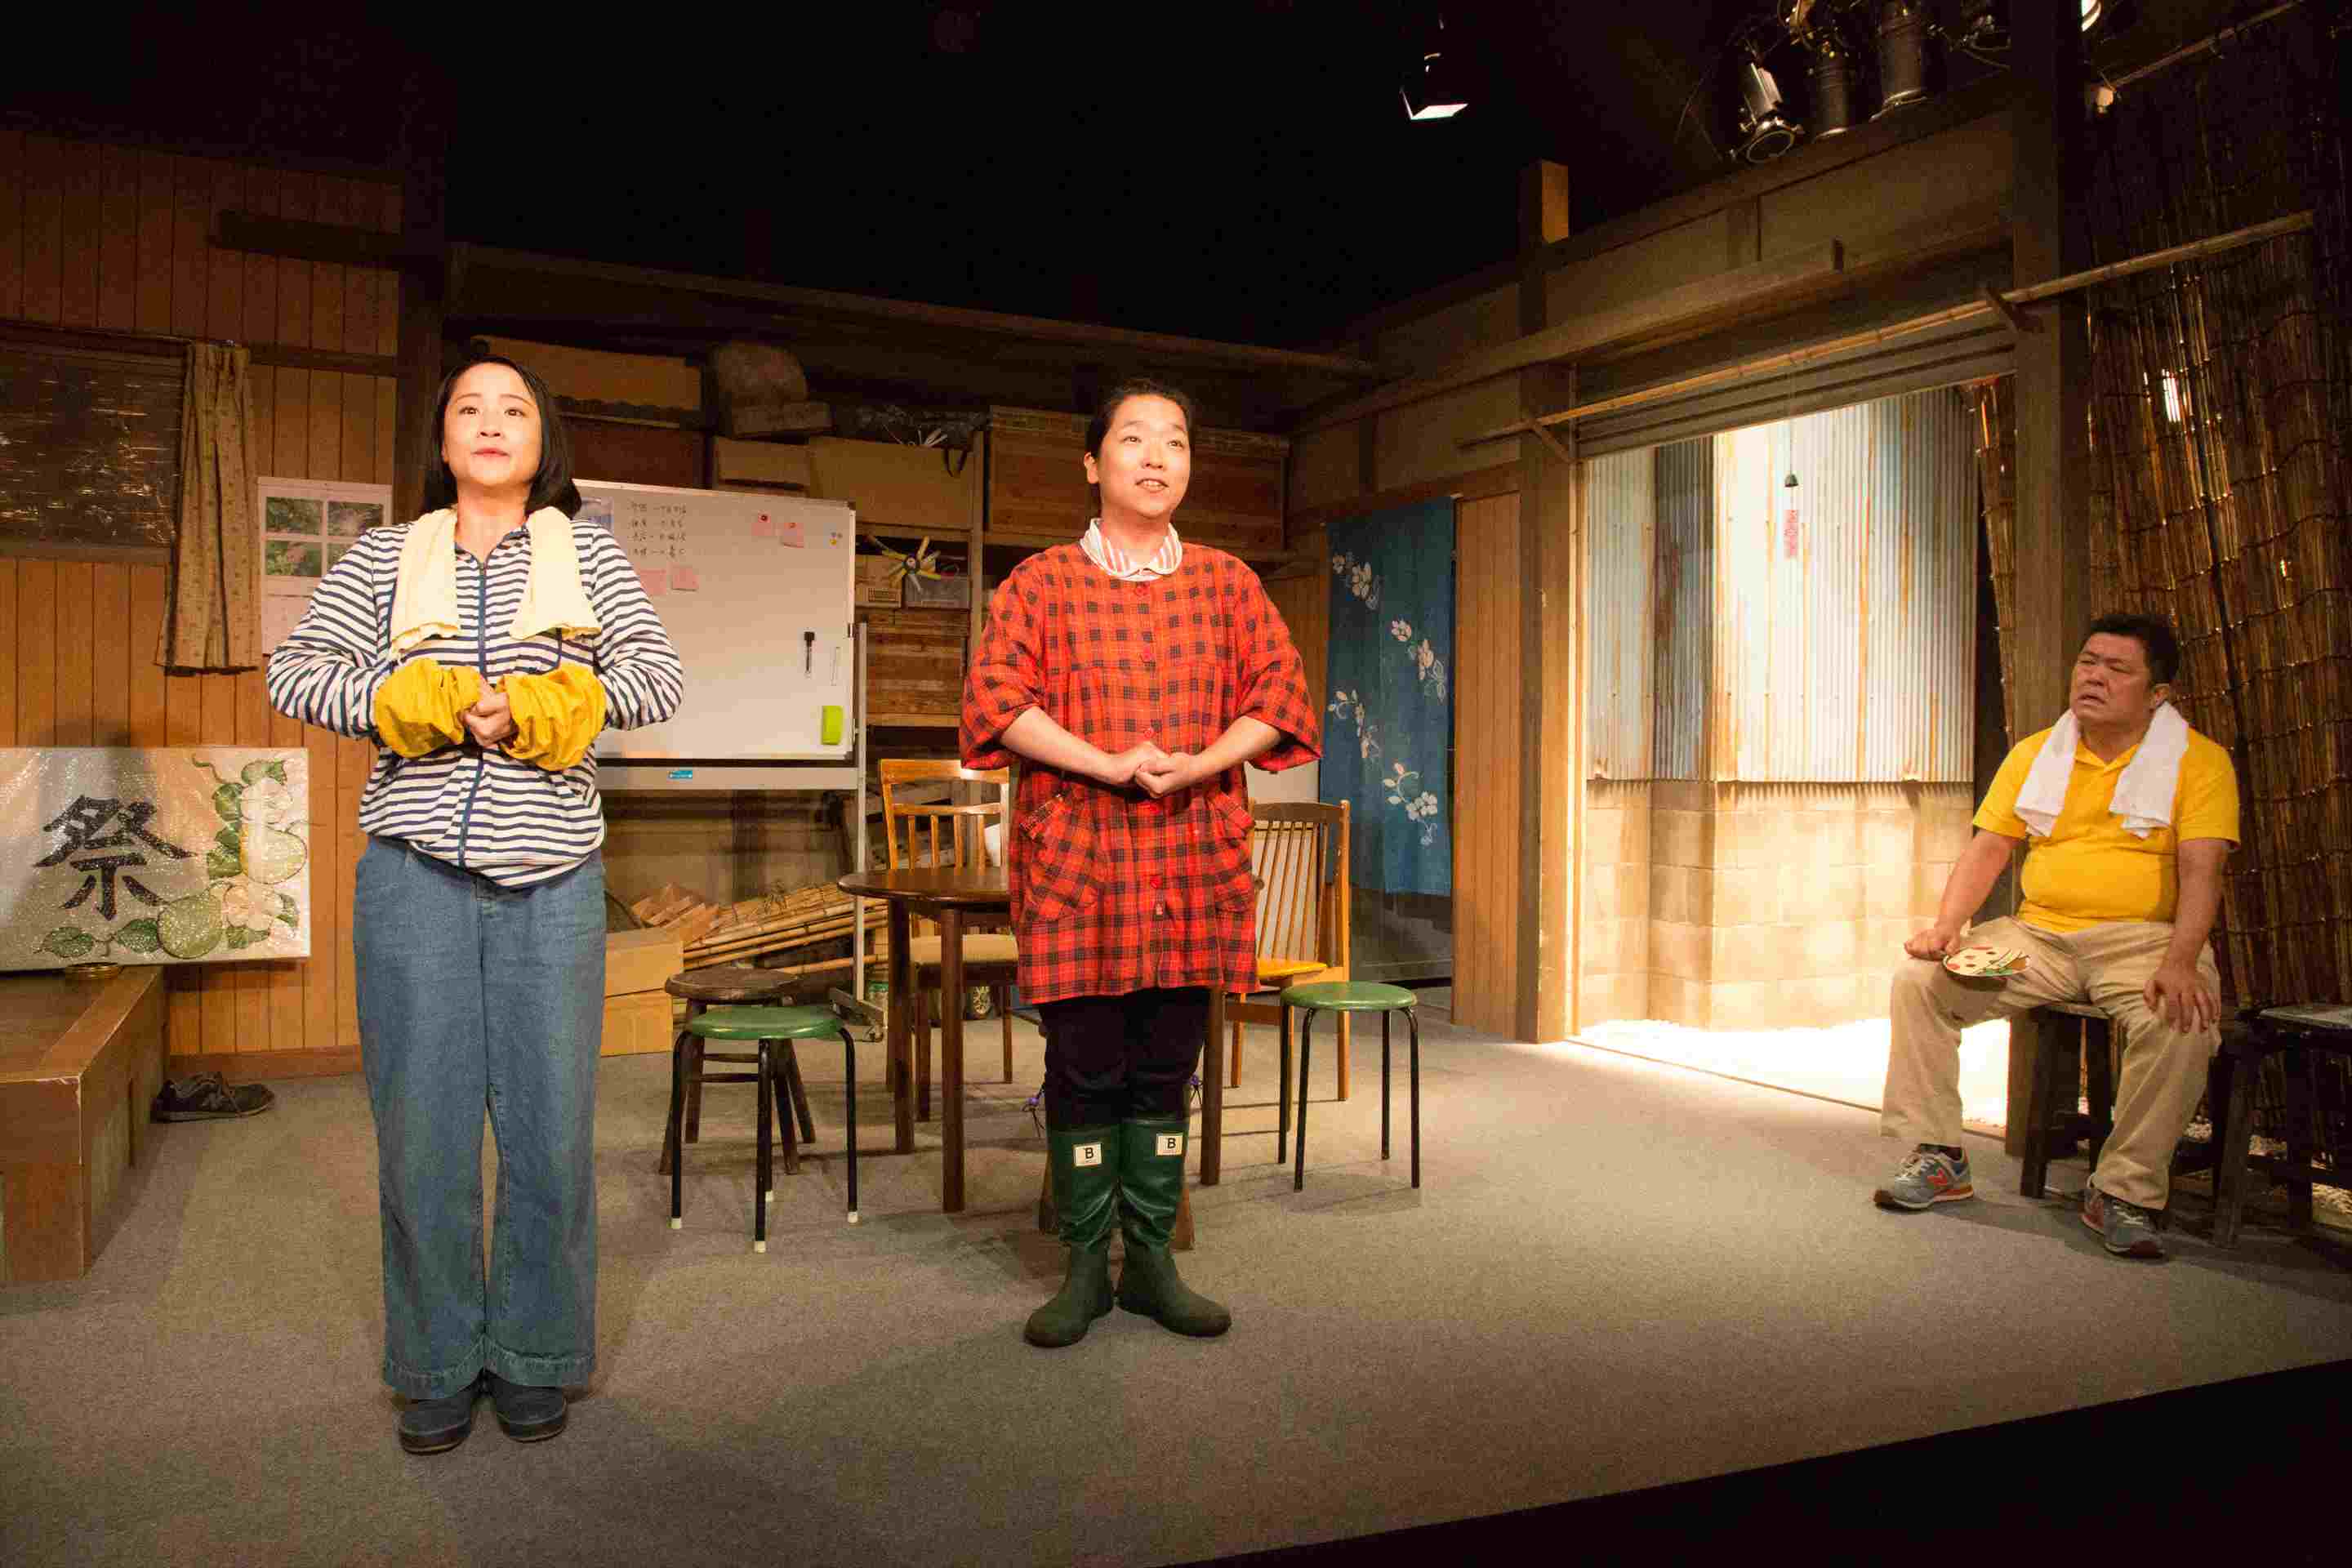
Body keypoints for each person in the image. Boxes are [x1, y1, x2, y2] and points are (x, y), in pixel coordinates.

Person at [268, 355, 683, 1450]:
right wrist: (411, 701)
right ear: (442, 438)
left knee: (551, 1132)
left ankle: (536, 1354)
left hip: (554, 882)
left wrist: (550, 704)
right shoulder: (382, 556)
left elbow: (658, 677)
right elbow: (294, 670)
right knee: (423, 1134)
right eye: (470, 408)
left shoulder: (587, 553)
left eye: (515, 410)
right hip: (414, 881)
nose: (492, 424)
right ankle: (439, 1361)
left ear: (543, 441)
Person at [960, 378, 1320, 1347]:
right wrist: (1106, 762)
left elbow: (1281, 696)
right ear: (1093, 462)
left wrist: (1199, 764)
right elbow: (996, 703)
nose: (1157, 456)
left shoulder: (1228, 582)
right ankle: (1085, 1266)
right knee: (1083, 1067)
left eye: (1175, 440)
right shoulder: (1038, 583)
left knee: (1167, 1065)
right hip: (1079, 859)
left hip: (1192, 857)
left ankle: (1152, 1261)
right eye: (1133, 438)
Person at [1875, 612, 2237, 1258]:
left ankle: (2123, 1190)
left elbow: (2202, 869)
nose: (2094, 677)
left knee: (2182, 1019)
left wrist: (2183, 961)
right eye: (2088, 662)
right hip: (2038, 937)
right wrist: (1947, 928)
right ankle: (1939, 1154)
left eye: (2117, 668)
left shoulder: (2200, 762)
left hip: (2144, 942)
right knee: (1920, 981)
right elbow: (1989, 849)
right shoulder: (2037, 753)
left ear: (2158, 694)